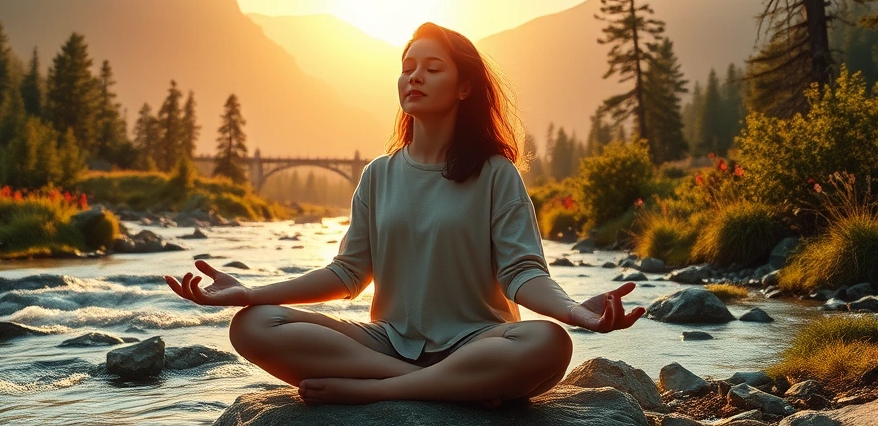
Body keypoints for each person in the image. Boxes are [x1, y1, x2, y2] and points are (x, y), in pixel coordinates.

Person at [165, 22, 645, 406]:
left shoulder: (498, 174)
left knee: (549, 343)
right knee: (251, 324)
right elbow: (348, 273)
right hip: (386, 342)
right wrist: (248, 292)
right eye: (408, 66)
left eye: (432, 68)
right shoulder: (378, 175)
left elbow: (522, 274)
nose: (414, 76)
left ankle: (383, 390)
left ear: (464, 88)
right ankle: (440, 384)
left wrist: (574, 312)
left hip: (480, 343)